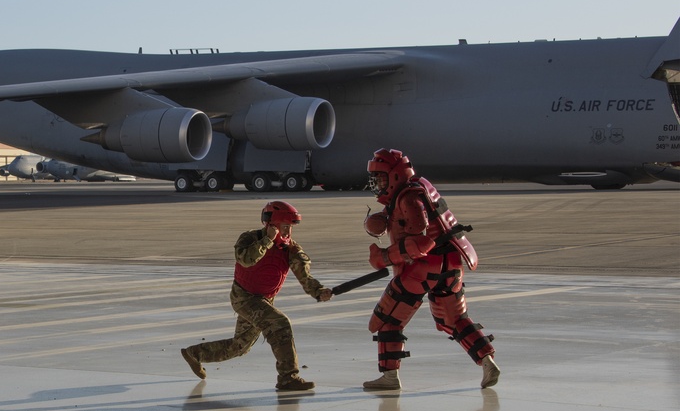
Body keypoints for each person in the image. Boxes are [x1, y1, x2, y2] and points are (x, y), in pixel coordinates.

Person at [360, 148, 500, 390]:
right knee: (455, 320)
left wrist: (383, 257)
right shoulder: (416, 190)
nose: (378, 185)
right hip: (451, 265)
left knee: (386, 321)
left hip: (422, 269)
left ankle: (390, 377)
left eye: (382, 178)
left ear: (394, 175)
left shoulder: (408, 197)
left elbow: (420, 242)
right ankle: (487, 361)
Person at [181, 200, 333, 391]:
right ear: (271, 225)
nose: (287, 233)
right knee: (280, 323)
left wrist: (318, 291)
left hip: (263, 300)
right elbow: (246, 259)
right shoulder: (249, 238)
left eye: (290, 228)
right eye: (284, 227)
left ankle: (194, 353)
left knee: (239, 347)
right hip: (244, 298)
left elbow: (304, 275)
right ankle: (288, 377)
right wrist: (267, 240)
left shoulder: (290, 249)